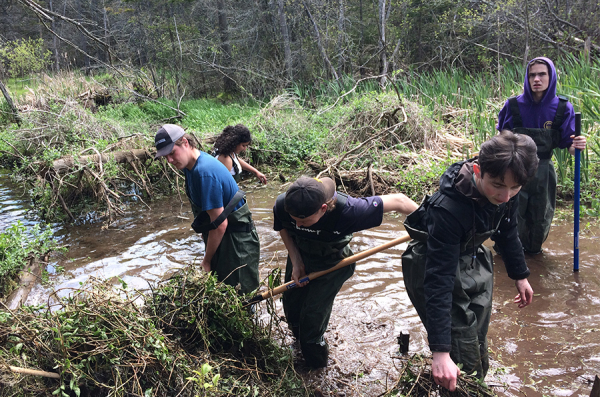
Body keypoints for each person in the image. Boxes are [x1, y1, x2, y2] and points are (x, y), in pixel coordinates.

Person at [402, 130, 538, 391]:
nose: (506, 196)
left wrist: (520, 275)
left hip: (472, 256)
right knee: (460, 351)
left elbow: (507, 230)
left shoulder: (508, 184)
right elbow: (438, 280)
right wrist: (439, 351)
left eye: (515, 188)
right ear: (478, 170)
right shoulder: (448, 210)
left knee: (476, 339)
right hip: (433, 265)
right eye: (498, 186)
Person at [273, 176, 418, 368]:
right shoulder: (284, 204)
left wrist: (433, 225)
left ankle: (315, 368)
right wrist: (296, 260)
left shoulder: (350, 211)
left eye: (303, 221)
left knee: (311, 321)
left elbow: (400, 201)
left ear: (323, 209)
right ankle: (299, 345)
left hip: (334, 264)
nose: (298, 225)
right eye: (295, 220)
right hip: (301, 254)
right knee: (292, 310)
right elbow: (283, 225)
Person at [154, 124, 260, 294]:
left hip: (237, 245)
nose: (170, 161)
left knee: (240, 299)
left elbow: (219, 224)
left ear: (185, 143)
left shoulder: (204, 172)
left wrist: (206, 260)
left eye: (172, 153)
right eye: (165, 157)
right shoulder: (191, 165)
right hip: (225, 239)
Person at [497, 57, 587, 254]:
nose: (536, 79)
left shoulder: (563, 108)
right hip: (514, 170)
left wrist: (577, 146)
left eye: (542, 74)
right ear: (527, 79)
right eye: (532, 75)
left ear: (551, 76)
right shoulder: (513, 105)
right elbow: (501, 140)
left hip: (544, 172)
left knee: (541, 219)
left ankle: (533, 257)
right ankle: (509, 256)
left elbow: (568, 146)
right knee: (511, 217)